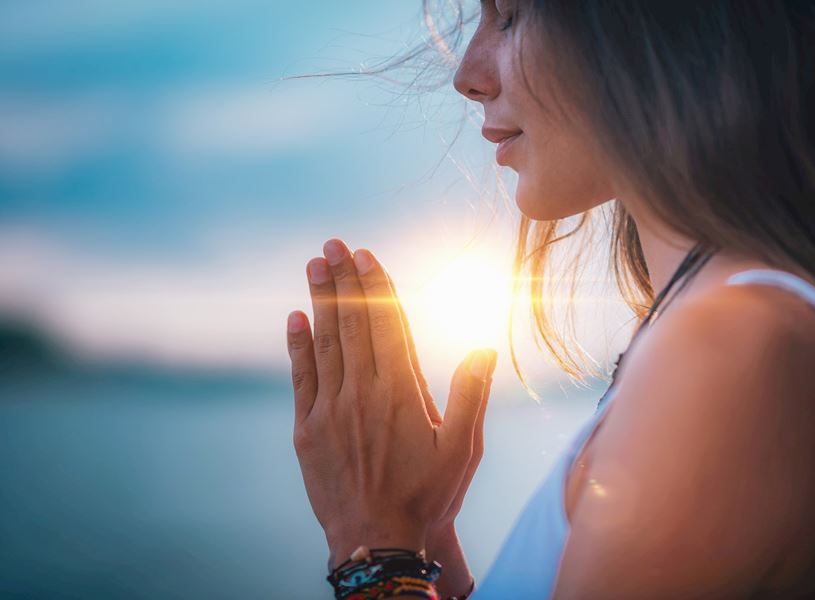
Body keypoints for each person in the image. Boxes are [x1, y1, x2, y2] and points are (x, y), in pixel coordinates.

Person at [286, 1, 815, 597]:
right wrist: (425, 538)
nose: (466, 74)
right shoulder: (715, 332)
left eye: (509, 15)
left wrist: (373, 546)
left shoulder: (732, 348)